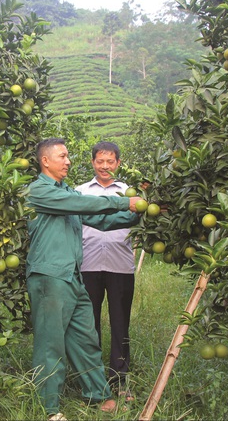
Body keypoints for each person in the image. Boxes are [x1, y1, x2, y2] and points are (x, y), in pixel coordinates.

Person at [25, 138, 142, 420]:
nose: (67, 161)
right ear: (45, 161)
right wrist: (125, 200)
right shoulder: (40, 191)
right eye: (62, 156)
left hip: (73, 276)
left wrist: (139, 212)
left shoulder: (65, 191)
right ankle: (48, 407)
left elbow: (102, 221)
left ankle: (98, 394)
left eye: (68, 156)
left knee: (86, 339)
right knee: (51, 343)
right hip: (50, 276)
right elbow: (82, 203)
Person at [75, 141, 136, 400]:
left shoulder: (128, 194)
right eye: (100, 161)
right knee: (89, 324)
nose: (105, 166)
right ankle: (93, 376)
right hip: (87, 264)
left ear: (118, 163)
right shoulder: (79, 192)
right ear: (92, 162)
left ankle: (120, 378)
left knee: (120, 322)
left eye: (110, 161)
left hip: (120, 265)